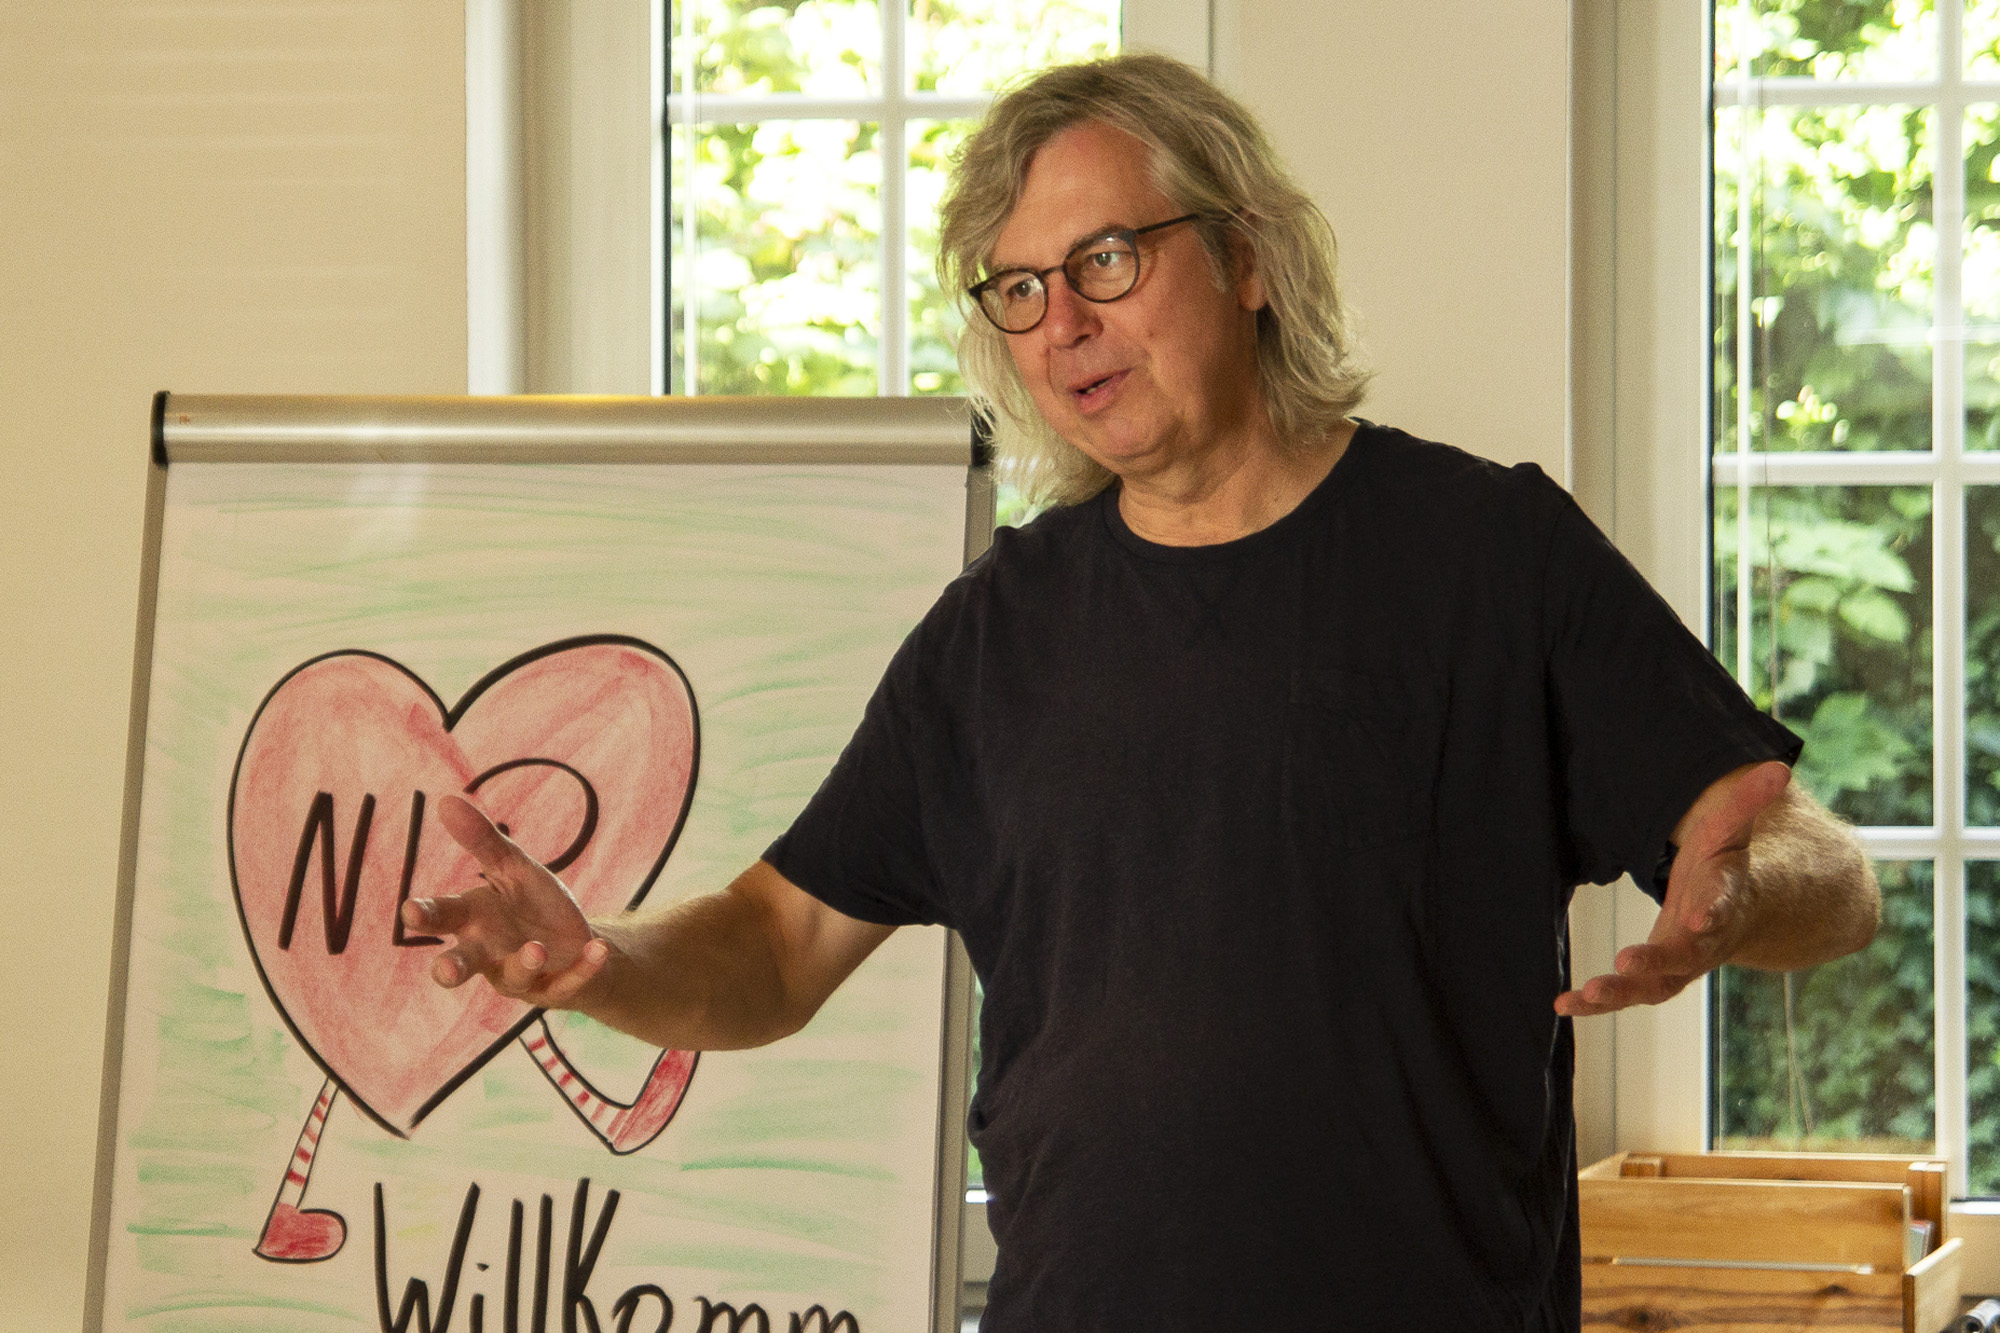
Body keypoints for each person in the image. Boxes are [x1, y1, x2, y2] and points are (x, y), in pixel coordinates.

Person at [405, 54, 1880, 1331]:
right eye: (1021, 290)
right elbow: (778, 947)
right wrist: (602, 958)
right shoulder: (994, 635)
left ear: (1249, 259)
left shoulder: (1489, 557)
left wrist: (1739, 894)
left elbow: (1828, 874)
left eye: (1105, 260)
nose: (1062, 323)